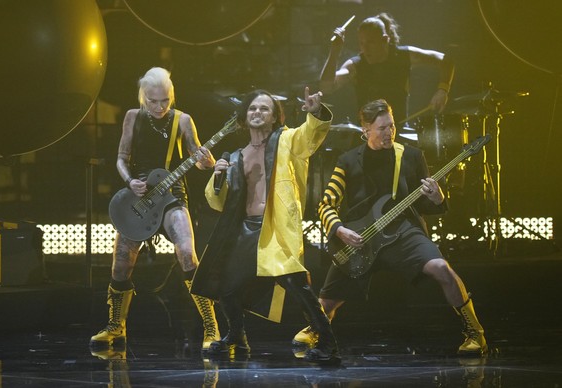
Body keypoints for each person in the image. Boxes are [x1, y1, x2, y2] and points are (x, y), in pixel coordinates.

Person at [292, 99, 487, 356]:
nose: (389, 133)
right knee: (327, 303)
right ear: (366, 130)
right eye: (382, 128)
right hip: (361, 237)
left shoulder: (411, 155)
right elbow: (326, 203)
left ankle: (475, 332)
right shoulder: (348, 160)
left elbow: (424, 206)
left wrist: (437, 198)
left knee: (442, 268)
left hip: (403, 231)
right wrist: (340, 229)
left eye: (392, 126)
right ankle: (317, 328)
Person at [190, 87, 340, 364]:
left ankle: (328, 341)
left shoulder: (286, 141)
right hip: (245, 229)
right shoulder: (235, 156)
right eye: (252, 108)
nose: (257, 112)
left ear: (274, 118)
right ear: (245, 117)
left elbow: (310, 137)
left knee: (297, 284)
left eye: (264, 109)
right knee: (226, 285)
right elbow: (217, 201)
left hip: (275, 228)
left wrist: (316, 113)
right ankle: (236, 335)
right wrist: (217, 174)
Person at [90, 67, 220, 352]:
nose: (160, 107)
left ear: (171, 96)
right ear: (143, 97)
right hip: (139, 198)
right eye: (153, 101)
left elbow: (196, 157)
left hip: (172, 194)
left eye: (165, 100)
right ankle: (115, 327)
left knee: (187, 254)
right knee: (121, 264)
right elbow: (121, 158)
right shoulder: (132, 117)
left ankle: (211, 328)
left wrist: (207, 163)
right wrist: (130, 181)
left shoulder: (183, 120)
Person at [320, 12, 454, 122]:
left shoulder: (404, 56)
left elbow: (446, 60)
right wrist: (335, 51)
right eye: (361, 43)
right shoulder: (356, 65)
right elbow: (326, 87)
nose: (364, 48)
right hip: (368, 137)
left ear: (385, 39)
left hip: (397, 132)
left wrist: (443, 90)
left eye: (370, 42)